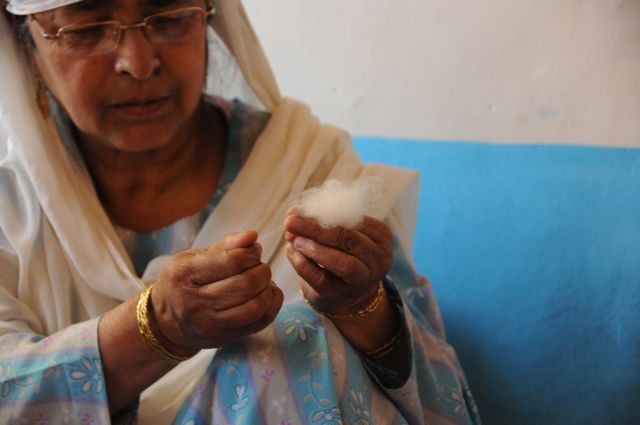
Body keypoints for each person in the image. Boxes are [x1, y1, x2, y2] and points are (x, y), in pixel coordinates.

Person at [0, 0, 481, 423]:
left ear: (210, 18)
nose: (139, 62)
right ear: (27, 45)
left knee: (296, 338)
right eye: (86, 30)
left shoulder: (310, 166)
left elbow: (445, 404)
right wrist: (156, 328)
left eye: (169, 18)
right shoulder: (9, 208)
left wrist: (362, 307)